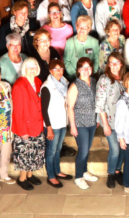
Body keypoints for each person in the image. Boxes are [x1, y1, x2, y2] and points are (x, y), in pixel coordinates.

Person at [10, 58, 45, 191]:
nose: (32, 68)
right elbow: (17, 112)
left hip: (37, 124)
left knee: (35, 153)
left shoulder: (37, 81)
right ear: (24, 68)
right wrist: (22, 130)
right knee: (25, 155)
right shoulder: (19, 85)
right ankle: (22, 179)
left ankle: (30, 175)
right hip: (25, 127)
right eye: (29, 66)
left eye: (34, 65)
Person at [66, 57, 97, 189]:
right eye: (83, 68)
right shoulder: (75, 85)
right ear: (78, 70)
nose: (86, 70)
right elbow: (70, 107)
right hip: (80, 123)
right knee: (83, 151)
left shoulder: (94, 81)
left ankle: (84, 172)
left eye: (88, 67)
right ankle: (78, 177)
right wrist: (72, 126)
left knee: (87, 149)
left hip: (92, 122)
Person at [96, 53, 126, 188]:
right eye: (111, 63)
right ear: (108, 64)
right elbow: (99, 104)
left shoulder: (125, 78)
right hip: (110, 121)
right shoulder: (104, 80)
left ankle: (118, 170)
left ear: (121, 64)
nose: (114, 66)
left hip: (124, 121)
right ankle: (110, 174)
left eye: (117, 63)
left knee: (123, 148)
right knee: (115, 150)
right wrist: (106, 125)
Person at [41, 59, 71, 187]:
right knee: (51, 151)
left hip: (62, 123)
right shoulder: (47, 86)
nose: (58, 71)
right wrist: (49, 128)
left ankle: (57, 171)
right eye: (55, 69)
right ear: (50, 70)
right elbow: (43, 109)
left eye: (60, 69)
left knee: (58, 149)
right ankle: (51, 176)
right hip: (52, 124)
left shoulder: (64, 82)